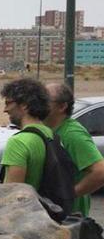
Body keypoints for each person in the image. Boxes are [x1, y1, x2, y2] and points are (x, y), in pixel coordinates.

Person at [44, 82, 104, 216]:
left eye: (45, 100)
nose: (39, 103)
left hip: (69, 219)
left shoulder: (72, 134)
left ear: (62, 106)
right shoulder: (50, 130)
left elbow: (100, 172)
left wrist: (68, 195)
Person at [0, 78, 54, 190]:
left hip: (28, 207)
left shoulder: (19, 142)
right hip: (46, 206)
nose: (5, 110)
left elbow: (13, 194)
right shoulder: (50, 134)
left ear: (24, 105)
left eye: (8, 103)